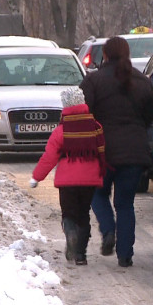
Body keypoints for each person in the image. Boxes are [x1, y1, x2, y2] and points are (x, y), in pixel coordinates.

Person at [79, 36, 153, 268]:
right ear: (127, 54)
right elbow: (149, 117)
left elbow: (83, 114)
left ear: (105, 55)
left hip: (102, 152)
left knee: (97, 193)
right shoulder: (142, 82)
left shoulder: (93, 81)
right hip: (133, 154)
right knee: (125, 204)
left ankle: (108, 229)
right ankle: (125, 255)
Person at [29, 87, 107, 265]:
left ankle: (70, 232)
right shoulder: (95, 127)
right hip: (90, 180)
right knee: (83, 214)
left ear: (65, 105)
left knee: (69, 214)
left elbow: (49, 157)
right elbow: (102, 151)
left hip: (67, 181)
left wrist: (36, 177)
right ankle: (80, 255)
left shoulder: (61, 130)